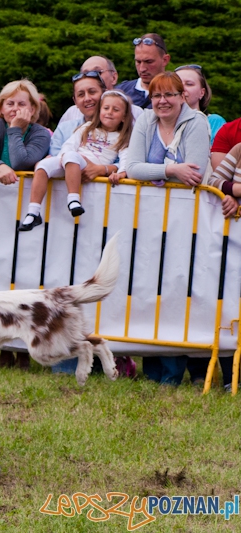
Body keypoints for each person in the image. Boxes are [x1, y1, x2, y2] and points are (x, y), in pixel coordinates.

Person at [123, 72, 210, 385]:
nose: (162, 101)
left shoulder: (196, 123)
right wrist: (172, 168)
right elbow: (133, 167)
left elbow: (195, 173)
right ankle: (153, 370)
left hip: (188, 219)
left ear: (182, 97)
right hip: (149, 218)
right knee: (149, 288)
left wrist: (155, 172)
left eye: (169, 94)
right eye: (157, 95)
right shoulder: (146, 121)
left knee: (176, 289)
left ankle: (175, 373)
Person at [19, 90, 133, 231]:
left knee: (72, 156)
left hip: (89, 165)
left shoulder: (122, 137)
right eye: (106, 108)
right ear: (99, 111)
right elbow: (70, 143)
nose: (109, 112)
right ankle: (33, 211)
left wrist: (121, 172)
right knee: (43, 165)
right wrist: (62, 157)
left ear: (124, 117)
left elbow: (125, 157)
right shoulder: (87, 127)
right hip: (70, 161)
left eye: (115, 110)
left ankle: (73, 199)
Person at [0, 79, 51, 187]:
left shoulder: (41, 134)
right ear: (1, 108)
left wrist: (15, 128)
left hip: (27, 190)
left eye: (21, 104)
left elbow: (20, 163)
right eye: (10, 104)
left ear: (32, 109)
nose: (15, 109)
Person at [58, 56, 144, 123]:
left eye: (97, 72)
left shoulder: (134, 113)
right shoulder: (71, 114)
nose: (91, 77)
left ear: (114, 77)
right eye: (85, 73)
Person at [115, 34, 170, 109]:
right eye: (138, 62)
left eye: (149, 62)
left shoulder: (178, 93)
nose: (142, 69)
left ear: (165, 60)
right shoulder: (120, 92)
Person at [175, 65, 225, 145]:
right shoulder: (161, 122)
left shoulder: (214, 122)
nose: (182, 88)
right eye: (177, 84)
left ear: (202, 93)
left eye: (189, 84)